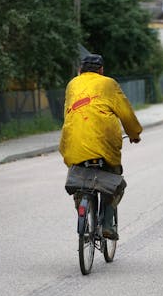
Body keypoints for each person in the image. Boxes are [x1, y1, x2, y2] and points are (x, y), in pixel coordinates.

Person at [59, 54, 142, 240]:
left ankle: (83, 209)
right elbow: (126, 113)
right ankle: (107, 225)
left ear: (80, 70)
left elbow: (67, 114)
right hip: (105, 144)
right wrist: (135, 134)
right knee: (114, 181)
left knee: (79, 181)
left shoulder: (72, 84)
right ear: (101, 70)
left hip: (74, 142)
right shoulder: (108, 84)